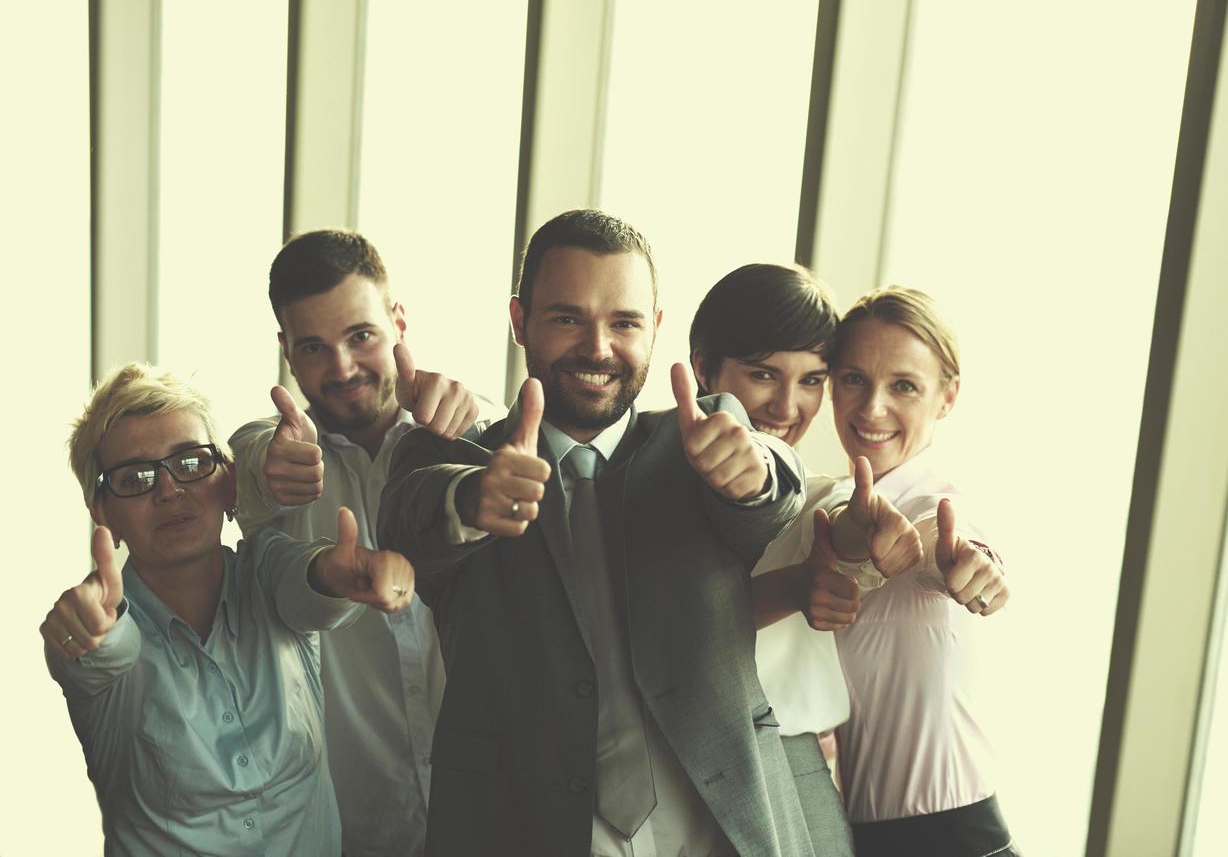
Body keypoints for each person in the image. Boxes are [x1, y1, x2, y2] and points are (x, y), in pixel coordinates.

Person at [378, 210, 823, 857]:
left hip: (718, 827)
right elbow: (411, 514)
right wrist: (476, 500)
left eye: (624, 322)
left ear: (656, 330)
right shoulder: (458, 458)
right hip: (522, 829)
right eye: (567, 318)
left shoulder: (702, 438)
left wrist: (753, 473)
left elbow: (774, 480)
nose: (598, 347)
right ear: (519, 320)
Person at [42, 363, 416, 857]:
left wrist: (347, 572)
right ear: (102, 511)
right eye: (136, 478)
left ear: (229, 480)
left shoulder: (266, 571)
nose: (169, 489)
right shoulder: (107, 625)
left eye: (191, 462)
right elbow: (102, 653)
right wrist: (84, 631)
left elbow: (309, 582)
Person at [230, 228, 499, 857]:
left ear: (398, 321)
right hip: (354, 829)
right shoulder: (273, 456)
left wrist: (481, 430)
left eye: (361, 336)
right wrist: (267, 465)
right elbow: (242, 466)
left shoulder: (476, 428)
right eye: (315, 348)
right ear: (286, 353)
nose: (343, 368)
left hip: (493, 816)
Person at [820, 286, 1016, 856]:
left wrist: (973, 564)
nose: (871, 408)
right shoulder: (835, 503)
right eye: (854, 378)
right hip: (872, 837)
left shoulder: (938, 499)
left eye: (903, 385)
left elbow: (942, 538)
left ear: (947, 397)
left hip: (953, 840)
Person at [687, 262, 856, 856]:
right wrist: (792, 589)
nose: (789, 405)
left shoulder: (818, 497)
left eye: (813, 380)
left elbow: (853, 523)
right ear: (704, 366)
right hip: (664, 765)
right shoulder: (639, 488)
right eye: (764, 374)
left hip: (792, 759)